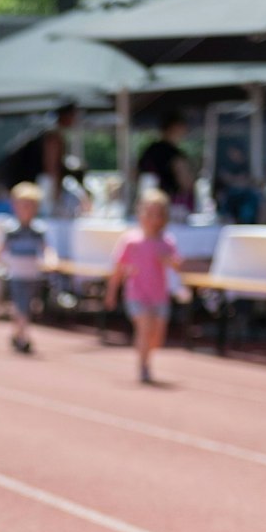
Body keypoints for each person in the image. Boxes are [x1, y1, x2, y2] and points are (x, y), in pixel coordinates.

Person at [106, 189, 183, 384]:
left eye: (157, 214)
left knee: (156, 337)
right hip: (137, 294)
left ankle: (146, 354)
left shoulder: (166, 241)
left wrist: (169, 261)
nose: (152, 219)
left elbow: (177, 265)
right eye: (149, 213)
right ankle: (143, 366)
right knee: (145, 328)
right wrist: (111, 293)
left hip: (159, 296)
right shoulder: (131, 241)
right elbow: (118, 269)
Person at [0, 182, 56, 354]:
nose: (27, 209)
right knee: (20, 305)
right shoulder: (11, 229)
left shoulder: (38, 230)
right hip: (16, 274)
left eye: (30, 205)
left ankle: (17, 332)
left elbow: (46, 248)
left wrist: (51, 259)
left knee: (27, 306)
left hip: (33, 274)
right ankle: (23, 336)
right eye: (23, 205)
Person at [136, 114, 195, 210]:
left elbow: (135, 174)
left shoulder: (150, 150)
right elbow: (186, 182)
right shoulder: (173, 153)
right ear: (175, 127)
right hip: (171, 205)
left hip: (149, 205)